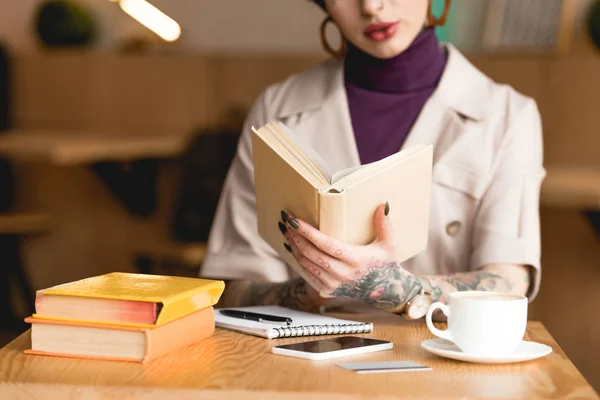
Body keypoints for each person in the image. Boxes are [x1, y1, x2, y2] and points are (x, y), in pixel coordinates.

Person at [199, 0, 545, 320]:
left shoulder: (508, 115)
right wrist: (311, 288)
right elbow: (231, 288)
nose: (371, 6)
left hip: (441, 366)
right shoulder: (278, 109)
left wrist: (397, 290)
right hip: (304, 365)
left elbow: (510, 283)